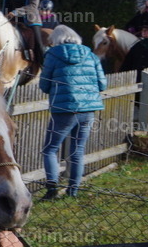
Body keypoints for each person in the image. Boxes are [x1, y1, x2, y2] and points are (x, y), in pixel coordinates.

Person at [38, 25, 106, 200]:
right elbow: (102, 84)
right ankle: (73, 191)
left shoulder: (52, 55)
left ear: (56, 39)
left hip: (64, 109)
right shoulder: (90, 55)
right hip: (88, 108)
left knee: (50, 149)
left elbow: (44, 85)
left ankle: (52, 189)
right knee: (77, 150)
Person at [1, 0, 45, 64]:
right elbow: (5, 9)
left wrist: (16, 12)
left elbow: (33, 5)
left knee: (38, 45)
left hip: (31, 21)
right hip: (14, 22)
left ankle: (44, 67)